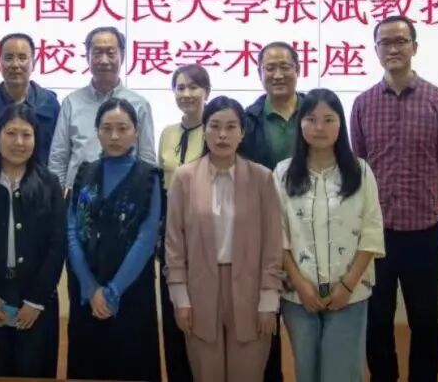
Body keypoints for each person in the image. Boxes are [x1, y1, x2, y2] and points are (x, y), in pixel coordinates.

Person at [351, 16, 438, 382]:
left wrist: (422, 197)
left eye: (400, 41)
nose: (393, 48)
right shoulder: (363, 104)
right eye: (385, 42)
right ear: (376, 50)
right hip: (375, 236)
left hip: (423, 232)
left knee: (424, 318)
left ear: (414, 46)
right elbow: (360, 164)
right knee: (377, 319)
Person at [165, 96, 284, 382]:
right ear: (204, 129)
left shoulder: (262, 178)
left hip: (251, 290)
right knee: (206, 372)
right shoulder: (184, 178)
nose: (222, 134)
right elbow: (174, 244)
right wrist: (180, 298)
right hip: (199, 289)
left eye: (231, 127)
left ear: (242, 133)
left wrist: (269, 301)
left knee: (248, 373)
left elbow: (273, 244)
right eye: (215, 126)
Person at [275, 88, 385, 382]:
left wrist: (347, 286)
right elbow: (278, 234)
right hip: (299, 295)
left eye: (328, 119)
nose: (319, 127)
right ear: (300, 123)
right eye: (311, 119)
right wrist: (300, 285)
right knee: (307, 372)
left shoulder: (361, 171)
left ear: (341, 124)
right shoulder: (283, 173)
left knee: (341, 373)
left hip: (350, 293)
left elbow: (371, 231)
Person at [0, 104, 66, 378]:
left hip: (36, 301)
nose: (19, 142)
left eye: (26, 135)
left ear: (36, 139)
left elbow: (57, 246)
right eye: (11, 133)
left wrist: (36, 301)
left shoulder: (49, 184)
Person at [66, 98, 161, 381]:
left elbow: (146, 238)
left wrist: (112, 292)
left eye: (123, 128)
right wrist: (90, 287)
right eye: (107, 128)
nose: (115, 136)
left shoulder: (149, 177)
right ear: (97, 131)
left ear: (136, 131)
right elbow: (72, 231)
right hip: (87, 291)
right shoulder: (84, 172)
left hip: (130, 292)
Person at [240, 41, 306, 381]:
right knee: (265, 322)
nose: (278, 74)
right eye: (270, 68)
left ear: (298, 68)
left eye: (285, 66)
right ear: (259, 73)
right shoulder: (248, 119)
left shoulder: (317, 111)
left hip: (310, 233)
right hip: (261, 233)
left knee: (309, 323)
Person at [49, 26, 156, 191]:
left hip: (125, 195)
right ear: (88, 57)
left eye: (111, 53)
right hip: (78, 195)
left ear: (122, 56)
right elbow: (58, 158)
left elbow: (147, 158)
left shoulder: (139, 105)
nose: (104, 60)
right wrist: (58, 195)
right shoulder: (71, 102)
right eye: (97, 53)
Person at [157, 64, 211, 382]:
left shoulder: (215, 130)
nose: (187, 93)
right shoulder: (167, 133)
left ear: (207, 92)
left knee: (202, 320)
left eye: (194, 87)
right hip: (171, 234)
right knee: (173, 316)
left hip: (205, 235)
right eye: (180, 87)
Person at [0, 32, 59, 169]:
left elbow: (58, 154)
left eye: (22, 58)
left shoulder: (49, 104)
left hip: (42, 181)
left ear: (34, 63)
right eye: (9, 58)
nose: (15, 64)